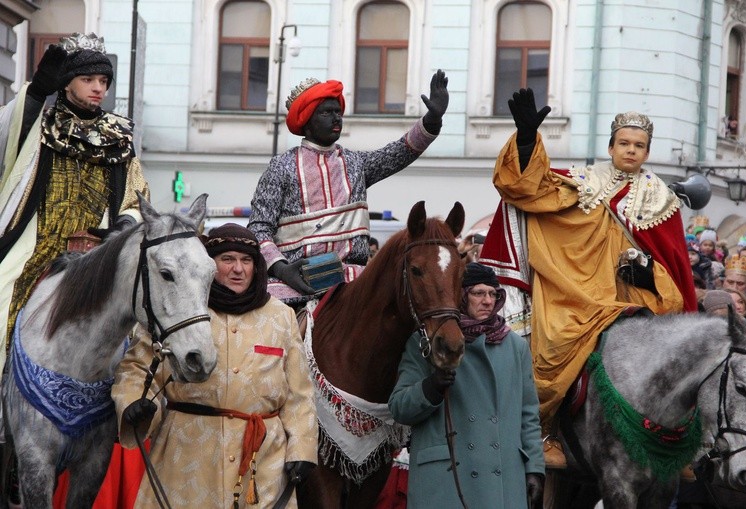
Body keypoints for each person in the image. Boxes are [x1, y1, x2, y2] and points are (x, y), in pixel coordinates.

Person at [492, 89, 698, 467]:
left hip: (635, 300)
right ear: (610, 146)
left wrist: (650, 274)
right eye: (624, 143)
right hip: (573, 292)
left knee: (673, 363)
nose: (631, 150)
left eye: (639, 145)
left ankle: (675, 446)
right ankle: (545, 432)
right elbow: (525, 189)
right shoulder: (584, 181)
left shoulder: (662, 200)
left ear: (648, 152)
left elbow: (676, 274)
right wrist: (525, 138)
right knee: (552, 345)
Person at [111, 223, 318, 508]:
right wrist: (134, 401)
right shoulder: (177, 308)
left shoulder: (281, 316)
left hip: (262, 464)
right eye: (227, 259)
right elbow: (137, 367)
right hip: (186, 460)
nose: (238, 269)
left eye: (246, 260)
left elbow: (300, 393)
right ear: (209, 264)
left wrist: (303, 448)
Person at [0, 32, 148, 369]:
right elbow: (8, 138)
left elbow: (136, 194)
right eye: (87, 79)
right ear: (67, 83)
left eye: (103, 80)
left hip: (96, 251)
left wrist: (125, 223)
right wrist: (36, 94)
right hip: (37, 247)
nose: (98, 87)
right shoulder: (42, 124)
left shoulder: (119, 137)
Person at [248, 71, 449, 305]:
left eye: (338, 112)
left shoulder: (355, 164)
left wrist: (432, 120)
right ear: (306, 121)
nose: (336, 118)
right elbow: (259, 228)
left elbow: (399, 152)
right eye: (326, 112)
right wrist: (282, 269)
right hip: (295, 286)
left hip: (355, 285)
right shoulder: (280, 168)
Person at [388, 262, 544, 508]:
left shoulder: (516, 347)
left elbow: (529, 416)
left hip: (504, 476)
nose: (488, 301)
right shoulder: (426, 342)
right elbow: (399, 408)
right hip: (446, 480)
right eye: (478, 293)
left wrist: (534, 467)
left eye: (493, 294)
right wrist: (431, 387)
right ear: (461, 296)